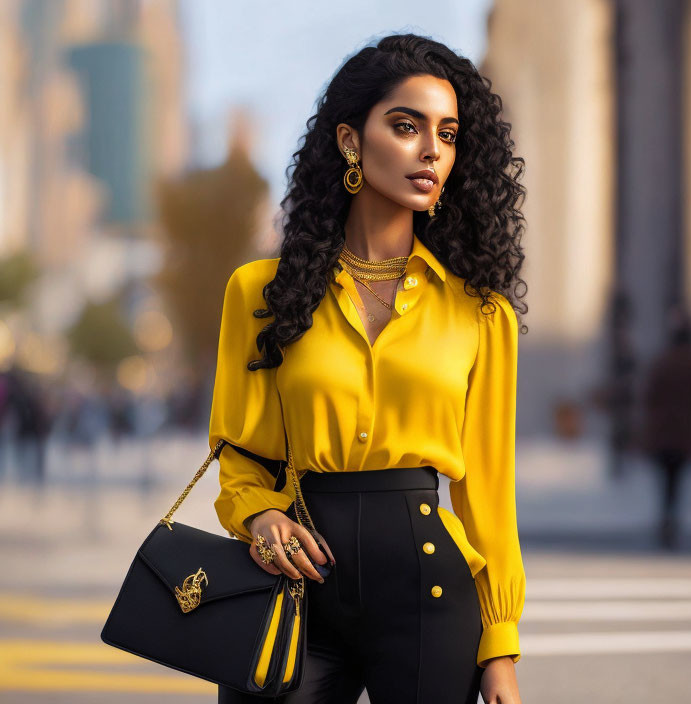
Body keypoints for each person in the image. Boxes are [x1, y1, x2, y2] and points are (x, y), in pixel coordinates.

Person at [210, 33, 528, 704]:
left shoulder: (481, 315)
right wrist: (259, 517)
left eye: (447, 133)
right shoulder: (260, 294)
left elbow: (489, 498)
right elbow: (241, 457)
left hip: (429, 596)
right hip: (293, 585)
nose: (431, 150)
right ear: (351, 140)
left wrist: (499, 648)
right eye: (406, 126)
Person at [639, 305, 691, 550]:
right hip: (684, 431)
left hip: (664, 431)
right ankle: (670, 519)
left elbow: (649, 394)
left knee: (667, 479)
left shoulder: (663, 362)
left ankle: (667, 519)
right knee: (676, 479)